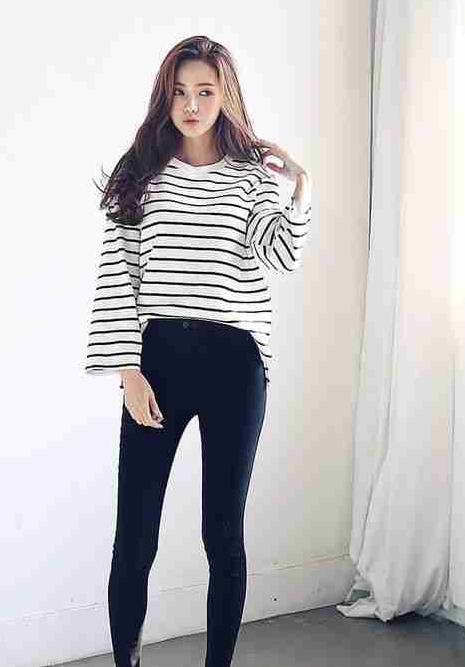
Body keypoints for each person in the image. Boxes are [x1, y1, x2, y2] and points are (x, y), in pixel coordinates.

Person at [84, 35, 314, 667]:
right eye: (180, 92)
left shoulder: (250, 179)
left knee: (223, 533)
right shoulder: (141, 174)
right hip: (158, 361)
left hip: (235, 365)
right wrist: (128, 371)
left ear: (224, 97)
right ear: (165, 97)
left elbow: (281, 256)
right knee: (135, 535)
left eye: (205, 92)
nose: (191, 105)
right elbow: (118, 275)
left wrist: (300, 185)